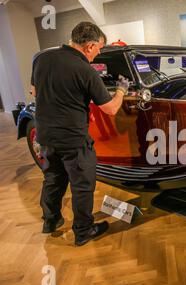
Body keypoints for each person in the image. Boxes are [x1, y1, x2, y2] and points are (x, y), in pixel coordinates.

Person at [30, 21, 129, 246]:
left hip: (45, 134)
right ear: (90, 46)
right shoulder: (86, 70)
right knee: (82, 185)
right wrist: (122, 90)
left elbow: (34, 91)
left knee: (53, 179)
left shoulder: (42, 58)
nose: (99, 52)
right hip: (73, 139)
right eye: (99, 48)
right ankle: (84, 231)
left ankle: (50, 220)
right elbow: (111, 109)